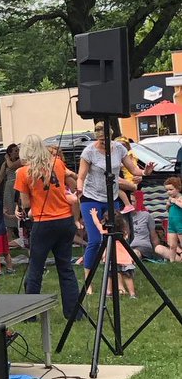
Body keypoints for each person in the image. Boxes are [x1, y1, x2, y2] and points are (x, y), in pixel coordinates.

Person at [76, 123, 149, 290]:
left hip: (112, 197)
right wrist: (79, 186)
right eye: (99, 140)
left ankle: (117, 281)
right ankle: (89, 282)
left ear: (111, 137)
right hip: (91, 198)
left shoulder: (119, 149)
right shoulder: (89, 152)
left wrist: (145, 172)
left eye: (105, 139)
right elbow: (81, 176)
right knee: (95, 240)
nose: (102, 142)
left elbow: (134, 170)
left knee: (116, 239)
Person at [14, 134, 79, 320]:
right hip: (65, 220)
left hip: (44, 222)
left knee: (35, 267)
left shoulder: (23, 172)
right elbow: (71, 185)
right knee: (65, 267)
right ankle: (73, 312)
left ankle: (31, 313)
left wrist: (24, 207)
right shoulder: (57, 163)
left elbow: (26, 203)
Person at [86, 209, 136, 298]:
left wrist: (94, 215)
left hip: (110, 257)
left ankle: (109, 292)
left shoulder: (106, 232)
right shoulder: (124, 232)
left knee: (109, 275)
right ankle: (132, 294)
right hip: (124, 258)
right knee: (127, 276)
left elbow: (97, 224)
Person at [0, 143, 23, 245]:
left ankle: (21, 236)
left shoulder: (21, 161)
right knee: (8, 210)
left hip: (18, 187)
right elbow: (0, 177)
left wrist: (7, 158)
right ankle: (9, 239)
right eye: (15, 150)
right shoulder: (5, 164)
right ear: (10, 152)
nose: (17, 152)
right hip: (9, 188)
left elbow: (12, 165)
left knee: (19, 209)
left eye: (18, 150)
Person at [166, 176, 182, 261]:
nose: (168, 192)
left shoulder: (180, 198)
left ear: (178, 189)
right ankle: (171, 261)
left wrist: (175, 201)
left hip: (180, 223)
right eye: (167, 190)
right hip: (172, 224)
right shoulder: (171, 199)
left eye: (171, 189)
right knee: (172, 245)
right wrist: (168, 205)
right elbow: (169, 210)